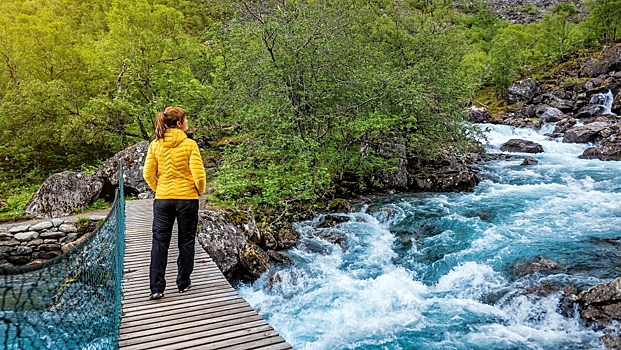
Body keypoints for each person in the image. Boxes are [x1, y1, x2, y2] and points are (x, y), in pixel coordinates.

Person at [142, 106, 206, 300]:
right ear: (179, 124)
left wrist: (159, 188)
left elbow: (147, 174)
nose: (188, 123)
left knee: (159, 243)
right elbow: (200, 176)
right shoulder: (190, 145)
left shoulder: (155, 145)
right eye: (186, 120)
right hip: (187, 199)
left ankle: (157, 288)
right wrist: (198, 191)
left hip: (162, 199)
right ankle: (183, 283)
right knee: (186, 241)